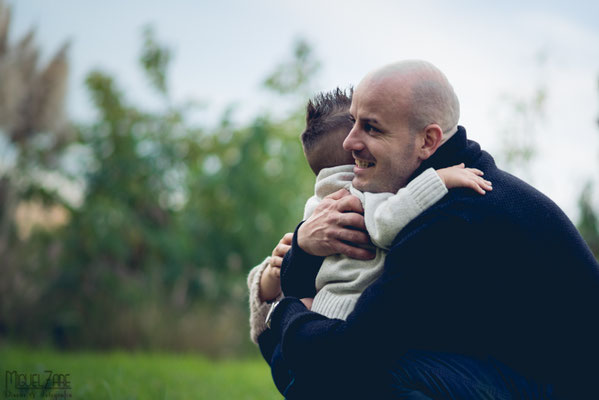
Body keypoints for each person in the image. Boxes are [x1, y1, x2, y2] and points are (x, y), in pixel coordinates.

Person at [258, 60, 599, 399]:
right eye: (352, 122)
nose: (349, 143)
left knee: (357, 375)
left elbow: (350, 354)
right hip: (505, 371)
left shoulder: (454, 216)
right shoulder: (418, 193)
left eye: (371, 128)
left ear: (427, 141)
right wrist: (303, 245)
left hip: (564, 387)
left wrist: (285, 312)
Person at [248, 89, 491, 342]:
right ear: (356, 155)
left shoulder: (318, 202)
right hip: (345, 314)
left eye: (372, 128)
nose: (360, 139)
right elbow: (387, 221)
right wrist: (438, 179)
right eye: (365, 129)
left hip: (322, 310)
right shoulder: (357, 196)